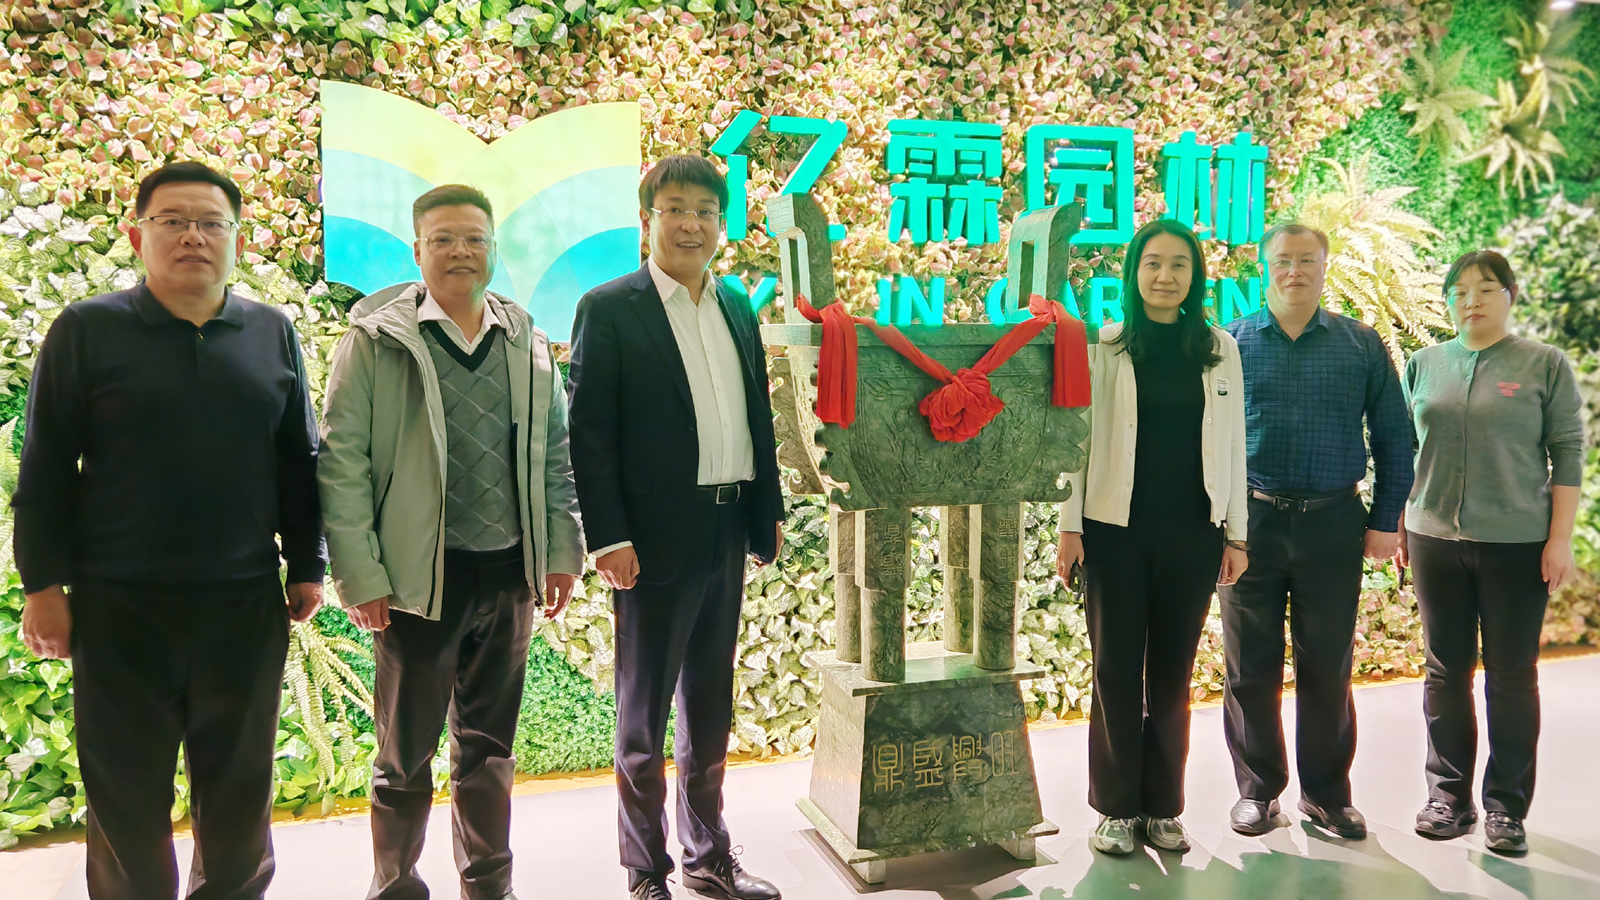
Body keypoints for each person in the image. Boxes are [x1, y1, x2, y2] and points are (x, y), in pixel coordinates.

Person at [13, 162, 326, 899]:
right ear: (137, 236)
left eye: (212, 223)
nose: (193, 236)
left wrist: (307, 565)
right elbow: (47, 466)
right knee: (125, 796)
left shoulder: (271, 332)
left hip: (243, 603)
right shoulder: (87, 329)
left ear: (236, 240)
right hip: (120, 606)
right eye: (173, 221)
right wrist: (42, 587)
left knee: (240, 791)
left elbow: (298, 461)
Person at [318, 184, 584, 900]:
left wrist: (561, 551)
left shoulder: (525, 339)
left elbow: (554, 455)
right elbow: (342, 465)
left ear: (493, 249)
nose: (460, 251)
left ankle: (489, 888)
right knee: (404, 757)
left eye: (473, 239)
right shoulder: (377, 342)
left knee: (489, 753)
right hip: (416, 582)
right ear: (418, 250)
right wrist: (360, 574)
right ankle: (395, 886)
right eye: (443, 239)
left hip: (508, 577)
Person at [568, 155, 785, 900]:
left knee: (710, 709)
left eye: (705, 211)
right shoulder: (609, 308)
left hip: (726, 526)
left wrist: (765, 513)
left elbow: (756, 415)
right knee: (644, 717)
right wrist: (609, 537)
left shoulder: (736, 306)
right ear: (647, 220)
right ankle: (644, 869)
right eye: (676, 210)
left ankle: (707, 855)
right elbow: (589, 434)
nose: (691, 224)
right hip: (652, 540)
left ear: (721, 223)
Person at [1056, 219, 1249, 855]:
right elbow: (1077, 440)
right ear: (1134, 272)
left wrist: (1237, 535)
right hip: (1114, 533)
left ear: (1196, 276)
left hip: (1193, 534)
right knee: (1114, 669)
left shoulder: (1219, 349)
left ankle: (1164, 807)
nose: (1165, 276)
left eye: (1179, 265)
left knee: (1173, 674)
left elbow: (1234, 445)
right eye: (1153, 263)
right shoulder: (1105, 346)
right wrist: (1070, 524)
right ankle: (1115, 808)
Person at [1220, 223, 1414, 840]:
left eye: (1307, 259)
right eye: (1283, 260)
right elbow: (1206, 443)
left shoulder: (1360, 344)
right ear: (1264, 267)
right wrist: (1218, 526)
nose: (1295, 270)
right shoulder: (1231, 344)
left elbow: (1395, 437)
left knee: (1328, 666)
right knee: (1249, 667)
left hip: (1334, 524)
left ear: (1325, 266)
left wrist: (1385, 521)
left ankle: (1327, 795)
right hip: (1250, 526)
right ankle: (1258, 792)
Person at [1399, 250, 1583, 856]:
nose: (1470, 299)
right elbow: (1407, 449)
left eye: (1485, 288)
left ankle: (1506, 808)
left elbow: (1567, 452)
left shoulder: (1542, 364)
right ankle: (1448, 797)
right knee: (1444, 670)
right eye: (1458, 290)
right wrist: (1400, 518)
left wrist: (1559, 538)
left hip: (1516, 542)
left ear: (1510, 294)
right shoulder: (1425, 364)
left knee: (1511, 674)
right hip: (1433, 537)